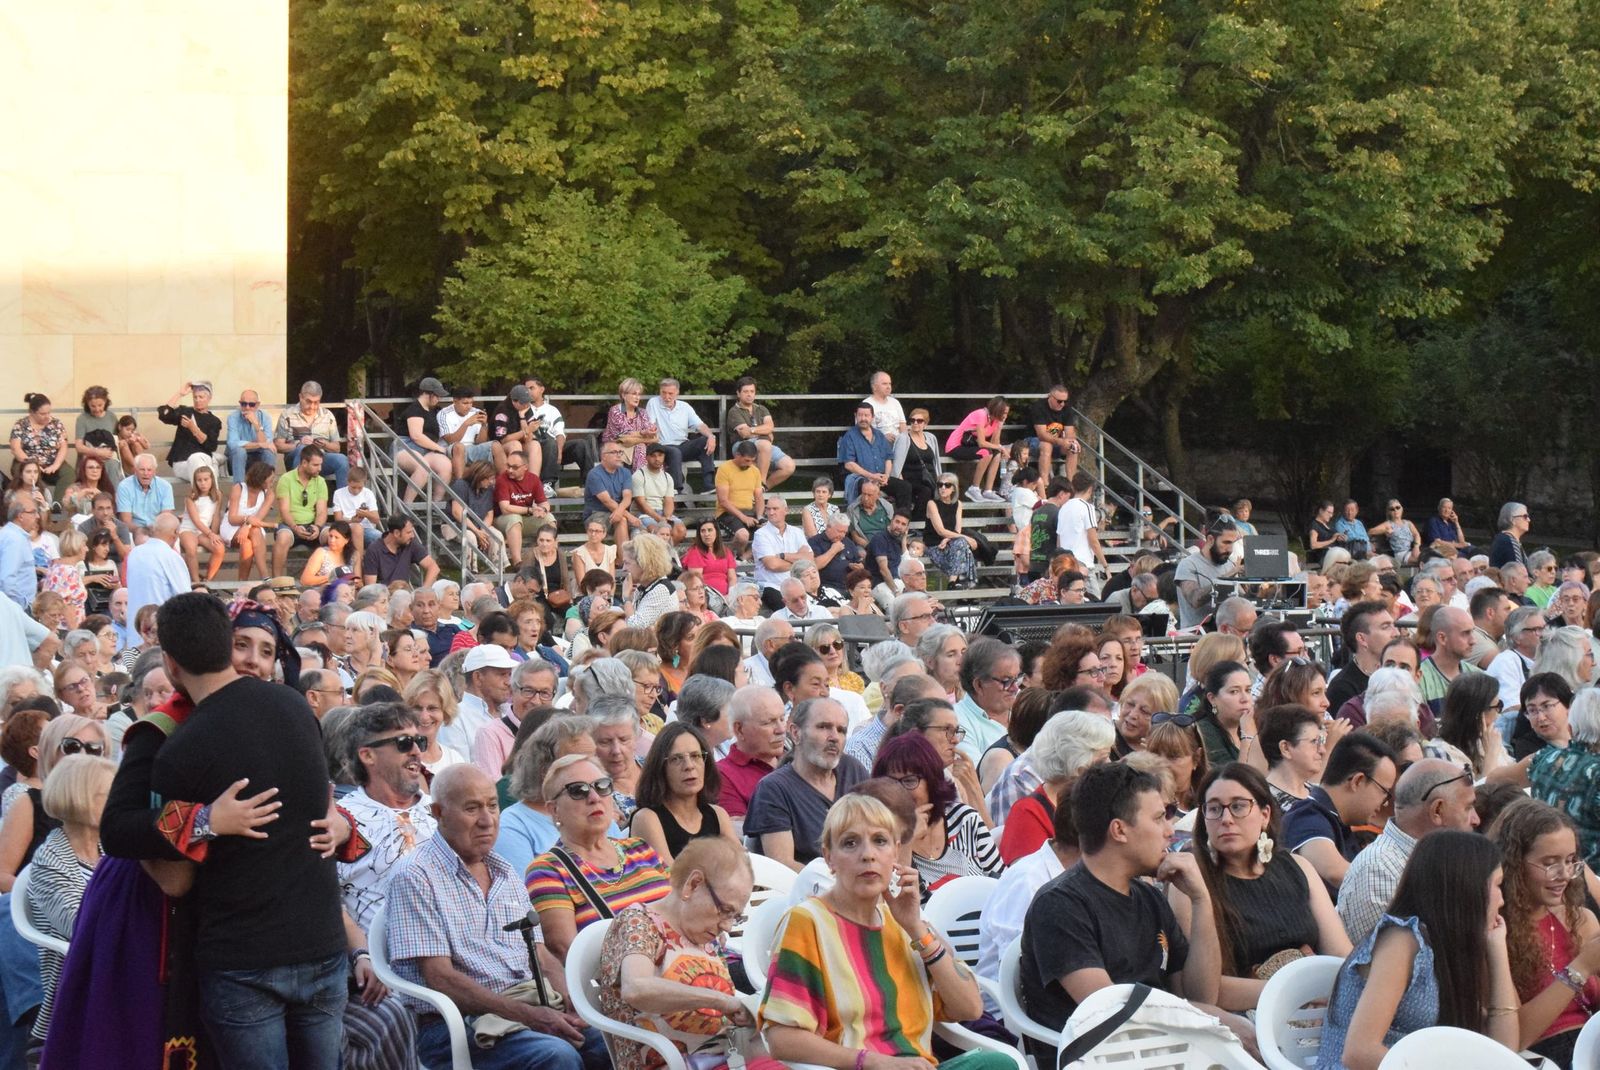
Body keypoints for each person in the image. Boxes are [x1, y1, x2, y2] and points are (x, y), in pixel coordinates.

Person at [97, 592, 358, 1069]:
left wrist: (204, 822)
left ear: (171, 664)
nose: (254, 661)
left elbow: (122, 837)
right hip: (315, 942)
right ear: (227, 644)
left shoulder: (182, 746)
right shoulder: (296, 707)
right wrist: (208, 820)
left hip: (247, 954)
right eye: (244, 646)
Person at [384, 763, 608, 1070]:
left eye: (492, 805)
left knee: (612, 1040)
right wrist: (529, 1016)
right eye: (472, 809)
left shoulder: (503, 870)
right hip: (459, 1024)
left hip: (530, 1004)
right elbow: (440, 978)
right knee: (557, 1056)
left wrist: (571, 1001)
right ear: (438, 813)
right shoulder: (415, 876)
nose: (487, 820)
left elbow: (541, 955)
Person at [758, 793, 1000, 1070]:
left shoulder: (904, 923)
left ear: (895, 852)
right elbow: (781, 1038)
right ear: (829, 857)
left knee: (996, 1064)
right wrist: (872, 1061)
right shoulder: (807, 922)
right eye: (850, 843)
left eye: (880, 841)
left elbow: (970, 1008)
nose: (868, 855)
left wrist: (916, 928)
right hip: (855, 1067)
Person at [1018, 761, 1227, 1067]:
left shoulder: (1148, 897)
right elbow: (1113, 1014)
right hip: (1102, 1058)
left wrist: (1201, 900)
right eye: (1159, 818)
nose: (1170, 831)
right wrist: (1215, 1022)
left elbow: (1202, 995)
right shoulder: (1060, 905)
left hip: (1167, 1049)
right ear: (1119, 830)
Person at [1316, 830, 1518, 1070]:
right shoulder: (1402, 941)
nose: (1502, 900)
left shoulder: (1447, 948)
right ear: (1467, 888)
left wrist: (1497, 950)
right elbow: (1359, 1052)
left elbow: (1504, 1051)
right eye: (1497, 885)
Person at [1170, 764, 1352, 1011]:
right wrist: (1296, 991)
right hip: (1244, 1017)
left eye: (1238, 806)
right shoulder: (1190, 883)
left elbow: (1340, 954)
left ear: (1265, 815)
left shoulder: (1298, 867)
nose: (1226, 819)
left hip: (1317, 1007)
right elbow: (1204, 991)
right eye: (1214, 809)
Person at [596, 837, 756, 1070]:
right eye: (725, 910)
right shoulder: (639, 922)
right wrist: (720, 1001)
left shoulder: (706, 936)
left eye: (735, 916)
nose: (728, 926)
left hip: (725, 1056)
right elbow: (636, 988)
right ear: (693, 884)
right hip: (669, 1062)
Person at [525, 754, 672, 962]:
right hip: (626, 978)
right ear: (554, 810)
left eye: (602, 786)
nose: (594, 797)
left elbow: (684, 911)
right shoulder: (548, 871)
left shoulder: (640, 848)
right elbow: (570, 955)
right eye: (578, 790)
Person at [1490, 799, 1600, 1068]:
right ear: (1514, 864)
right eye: (1550, 863)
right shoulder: (1496, 933)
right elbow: (1515, 1038)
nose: (1565, 874)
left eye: (1571, 861)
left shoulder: (1579, 920)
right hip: (1543, 1057)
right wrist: (1580, 968)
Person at [24, 752, 117, 1048]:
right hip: (78, 985)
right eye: (109, 795)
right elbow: (82, 927)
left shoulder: (109, 849)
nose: (118, 802)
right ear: (81, 798)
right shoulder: (50, 861)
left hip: (111, 966)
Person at [1337, 758, 1481, 945]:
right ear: (1437, 811)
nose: (1476, 819)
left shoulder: (1440, 859)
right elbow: (1386, 960)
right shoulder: (1378, 871)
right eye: (1468, 808)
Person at [745, 696, 868, 870]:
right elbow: (782, 865)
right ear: (796, 733)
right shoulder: (774, 788)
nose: (834, 737)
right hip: (805, 885)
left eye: (841, 730)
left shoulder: (852, 770)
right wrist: (843, 881)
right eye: (823, 727)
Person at [872, 733, 1001, 892]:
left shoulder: (964, 820)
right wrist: (907, 841)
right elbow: (896, 899)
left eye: (910, 781)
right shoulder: (877, 838)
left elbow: (1003, 883)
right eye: (890, 782)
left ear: (932, 781)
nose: (899, 791)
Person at [1283, 732, 1398, 893]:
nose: (1385, 802)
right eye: (1384, 792)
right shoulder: (1306, 816)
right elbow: (1334, 872)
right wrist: (1398, 889)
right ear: (1357, 781)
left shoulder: (1336, 821)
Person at [996, 708, 1115, 864]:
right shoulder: (1029, 813)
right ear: (1079, 766)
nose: (1110, 765)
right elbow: (1031, 876)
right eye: (1104, 759)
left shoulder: (1096, 803)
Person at [626, 723, 736, 865]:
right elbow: (671, 875)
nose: (689, 766)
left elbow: (743, 866)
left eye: (696, 756)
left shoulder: (718, 815)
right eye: (676, 759)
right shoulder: (647, 819)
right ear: (660, 767)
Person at [1527, 689, 1600, 871]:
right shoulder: (1596, 772)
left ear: (1570, 728)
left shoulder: (1544, 758)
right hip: (1589, 876)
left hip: (1547, 870)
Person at [715, 686, 787, 822]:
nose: (781, 729)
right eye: (768, 722)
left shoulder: (796, 760)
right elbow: (738, 830)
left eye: (782, 719)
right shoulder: (723, 775)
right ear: (739, 729)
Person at [723, 376, 794, 489]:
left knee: (789, 466)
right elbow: (745, 434)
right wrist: (764, 433)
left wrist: (752, 430)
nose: (749, 394)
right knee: (765, 444)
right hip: (742, 445)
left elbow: (770, 427)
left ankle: (763, 488)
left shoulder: (762, 409)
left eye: (752, 391)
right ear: (738, 393)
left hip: (764, 445)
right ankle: (760, 483)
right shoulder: (734, 411)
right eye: (746, 391)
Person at [837, 401, 911, 509]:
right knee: (868, 487)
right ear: (855, 416)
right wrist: (871, 476)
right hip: (861, 478)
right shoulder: (849, 436)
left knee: (905, 487)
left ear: (872, 417)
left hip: (881, 478)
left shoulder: (879, 435)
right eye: (860, 415)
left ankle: (901, 517)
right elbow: (849, 464)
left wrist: (886, 476)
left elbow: (888, 458)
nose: (863, 418)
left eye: (866, 415)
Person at [277, 381, 348, 490]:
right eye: (308, 401)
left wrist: (324, 444)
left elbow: (337, 448)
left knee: (342, 460)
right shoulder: (287, 415)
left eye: (316, 402)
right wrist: (298, 444)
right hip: (296, 458)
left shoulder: (328, 416)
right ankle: (299, 495)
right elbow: (278, 446)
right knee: (303, 450)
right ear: (300, 397)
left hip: (321, 458)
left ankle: (342, 499)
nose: (312, 406)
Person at [124, 513, 191, 626]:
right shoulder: (171, 556)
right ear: (175, 533)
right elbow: (185, 597)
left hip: (135, 626)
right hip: (160, 627)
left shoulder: (134, 553)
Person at [394, 377, 453, 503]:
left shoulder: (434, 411)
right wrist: (439, 448)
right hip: (405, 447)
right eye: (437, 395)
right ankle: (406, 506)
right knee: (422, 467)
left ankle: (436, 505)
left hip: (425, 450)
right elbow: (416, 436)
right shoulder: (414, 409)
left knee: (446, 466)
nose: (439, 399)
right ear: (428, 394)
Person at [1174, 519, 1242, 630]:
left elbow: (1241, 599)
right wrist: (1225, 578)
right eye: (1226, 543)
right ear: (1210, 539)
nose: (1230, 549)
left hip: (1224, 632)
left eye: (1233, 543)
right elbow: (1194, 599)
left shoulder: (1229, 565)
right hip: (1195, 635)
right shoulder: (1188, 565)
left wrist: (1256, 589)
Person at [944, 395, 1009, 501]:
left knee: (996, 454)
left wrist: (999, 427)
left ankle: (988, 491)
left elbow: (994, 443)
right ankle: (974, 488)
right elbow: (982, 443)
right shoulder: (981, 415)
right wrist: (1001, 447)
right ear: (997, 410)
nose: (1005, 416)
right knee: (986, 453)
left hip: (969, 445)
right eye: (1004, 413)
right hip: (955, 446)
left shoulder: (995, 420)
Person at [923, 474, 981, 589]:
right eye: (940, 485)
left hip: (950, 543)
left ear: (954, 488)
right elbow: (940, 531)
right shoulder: (932, 504)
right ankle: (963, 584)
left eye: (947, 485)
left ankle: (953, 583)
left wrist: (948, 539)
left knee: (961, 544)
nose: (943, 488)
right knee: (964, 546)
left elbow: (957, 529)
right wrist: (966, 538)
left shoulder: (958, 504)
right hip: (935, 545)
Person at [362, 515, 439, 588]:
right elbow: (371, 587)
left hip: (404, 594)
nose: (412, 536)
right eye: (409, 532)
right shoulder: (374, 550)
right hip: (384, 594)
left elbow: (433, 567)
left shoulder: (410, 544)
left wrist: (423, 590)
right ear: (396, 533)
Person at [1026, 384, 1080, 481]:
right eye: (1059, 401)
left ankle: (1071, 483)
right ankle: (1045, 484)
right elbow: (1042, 435)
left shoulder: (1067, 409)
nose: (1062, 404)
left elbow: (1070, 432)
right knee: (1046, 445)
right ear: (1050, 397)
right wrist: (1061, 441)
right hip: (1033, 441)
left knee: (1073, 448)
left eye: (1065, 401)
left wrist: (1072, 441)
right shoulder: (1039, 407)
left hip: (1055, 443)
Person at [226, 388, 278, 483]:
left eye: (251, 404)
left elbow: (267, 443)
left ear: (257, 405)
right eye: (243, 404)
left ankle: (267, 488)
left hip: (258, 456)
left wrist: (256, 424)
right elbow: (233, 444)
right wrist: (259, 444)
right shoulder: (233, 417)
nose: (247, 407)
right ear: (240, 403)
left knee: (269, 452)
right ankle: (239, 488)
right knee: (239, 451)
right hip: (237, 457)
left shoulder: (265, 417)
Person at [114, 452, 175, 531]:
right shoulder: (124, 486)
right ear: (135, 470)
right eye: (142, 469)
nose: (146, 473)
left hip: (158, 529)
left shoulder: (165, 486)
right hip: (134, 530)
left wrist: (155, 531)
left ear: (154, 472)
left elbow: (166, 517)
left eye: (149, 470)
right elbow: (126, 521)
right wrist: (142, 532)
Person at [1489, 501, 1531, 570]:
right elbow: (1519, 572)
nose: (1529, 520)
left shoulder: (1507, 539)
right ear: (1512, 520)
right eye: (1525, 516)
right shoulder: (1508, 542)